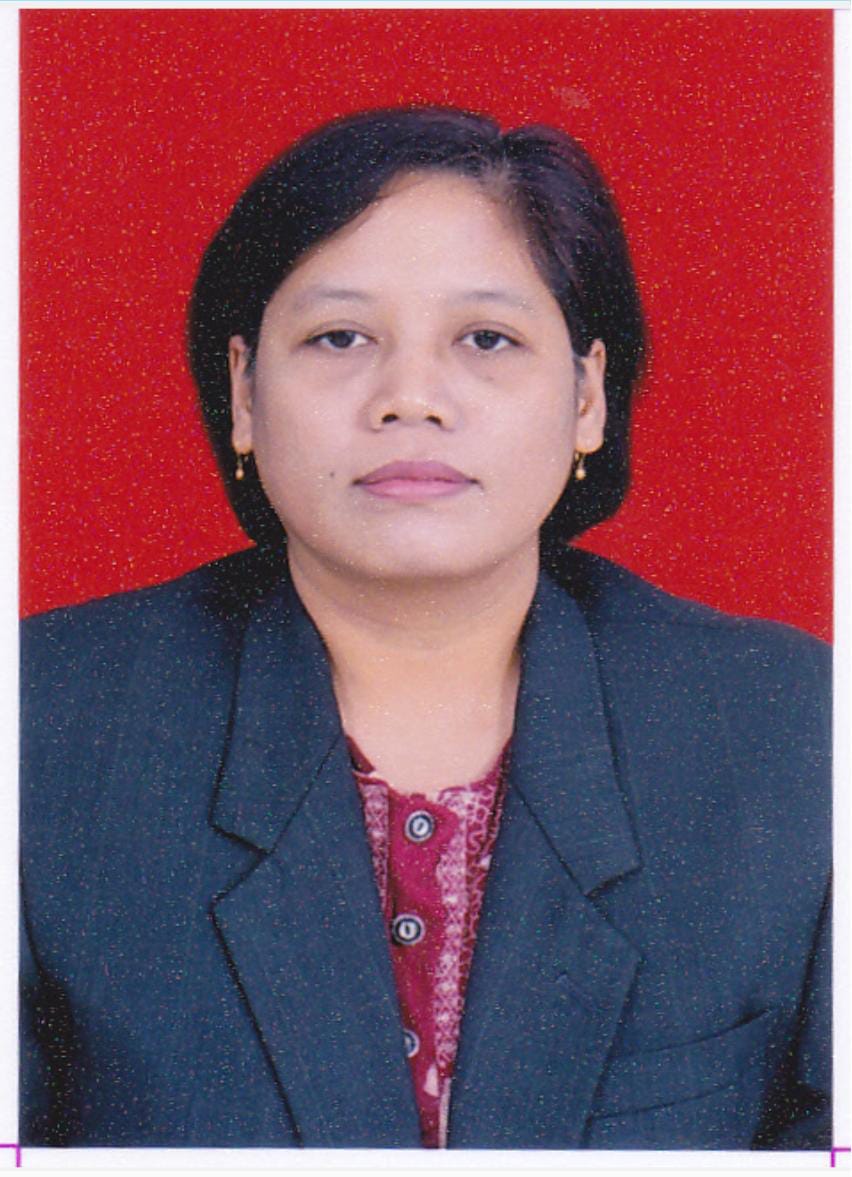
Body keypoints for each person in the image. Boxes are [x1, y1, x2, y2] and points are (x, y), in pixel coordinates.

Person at [20, 105, 831, 1150]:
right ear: (244, 393)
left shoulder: (791, 732)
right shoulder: (43, 725)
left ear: (586, 396)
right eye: (339, 337)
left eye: (487, 339)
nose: (410, 399)